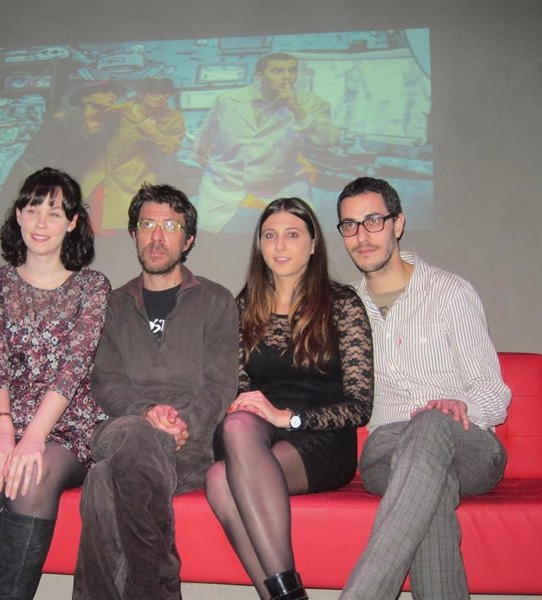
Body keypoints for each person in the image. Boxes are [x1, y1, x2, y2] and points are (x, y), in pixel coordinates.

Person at [335, 177, 510, 599]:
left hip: (466, 442)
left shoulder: (450, 292)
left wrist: (458, 404)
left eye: (373, 221)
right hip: (388, 451)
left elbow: (495, 393)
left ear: (398, 224)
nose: (362, 236)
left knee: (430, 423)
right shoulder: (343, 310)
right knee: (429, 486)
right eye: (350, 226)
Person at [0, 168, 110, 600]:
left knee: (33, 476)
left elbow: (74, 367)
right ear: (18, 214)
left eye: (54, 213)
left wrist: (34, 436)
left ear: (72, 223)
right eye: (33, 209)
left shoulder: (92, 287)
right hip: (0, 417)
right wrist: (3, 432)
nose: (41, 222)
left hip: (66, 425)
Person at [72, 183, 239, 599]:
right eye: (147, 225)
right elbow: (106, 381)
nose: (157, 236)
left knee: (102, 479)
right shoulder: (112, 305)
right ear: (133, 234)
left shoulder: (216, 301)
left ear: (189, 239)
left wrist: (181, 424)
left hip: (190, 445)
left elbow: (221, 385)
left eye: (170, 226)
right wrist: (147, 414)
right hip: (123, 427)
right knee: (133, 436)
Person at [204, 198, 373, 600]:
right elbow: (240, 388)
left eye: (292, 234)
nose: (279, 245)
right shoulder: (245, 306)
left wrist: (289, 417)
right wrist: (254, 410)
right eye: (270, 235)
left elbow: (360, 405)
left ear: (313, 244)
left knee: (219, 481)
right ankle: (288, 595)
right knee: (237, 425)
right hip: (254, 436)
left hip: (319, 440)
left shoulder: (342, 304)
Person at [192, 53, 340, 233]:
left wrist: (296, 108)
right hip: (226, 181)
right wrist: (208, 163)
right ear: (259, 76)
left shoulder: (310, 102)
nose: (287, 76)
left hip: (281, 182)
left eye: (292, 70)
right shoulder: (228, 101)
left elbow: (328, 140)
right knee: (204, 232)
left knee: (302, 231)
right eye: (278, 71)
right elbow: (206, 135)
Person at [83, 78, 186, 231]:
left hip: (135, 182)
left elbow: (171, 147)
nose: (160, 97)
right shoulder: (118, 111)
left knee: (129, 230)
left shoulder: (174, 118)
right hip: (100, 178)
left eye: (165, 93)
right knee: (91, 229)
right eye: (154, 93)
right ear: (141, 94)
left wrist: (152, 132)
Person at [7, 81, 125, 188]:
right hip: (50, 179)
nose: (112, 95)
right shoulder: (61, 120)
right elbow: (31, 157)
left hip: (80, 181)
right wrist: (33, 187)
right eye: (104, 92)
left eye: (115, 93)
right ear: (85, 98)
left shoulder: (112, 123)